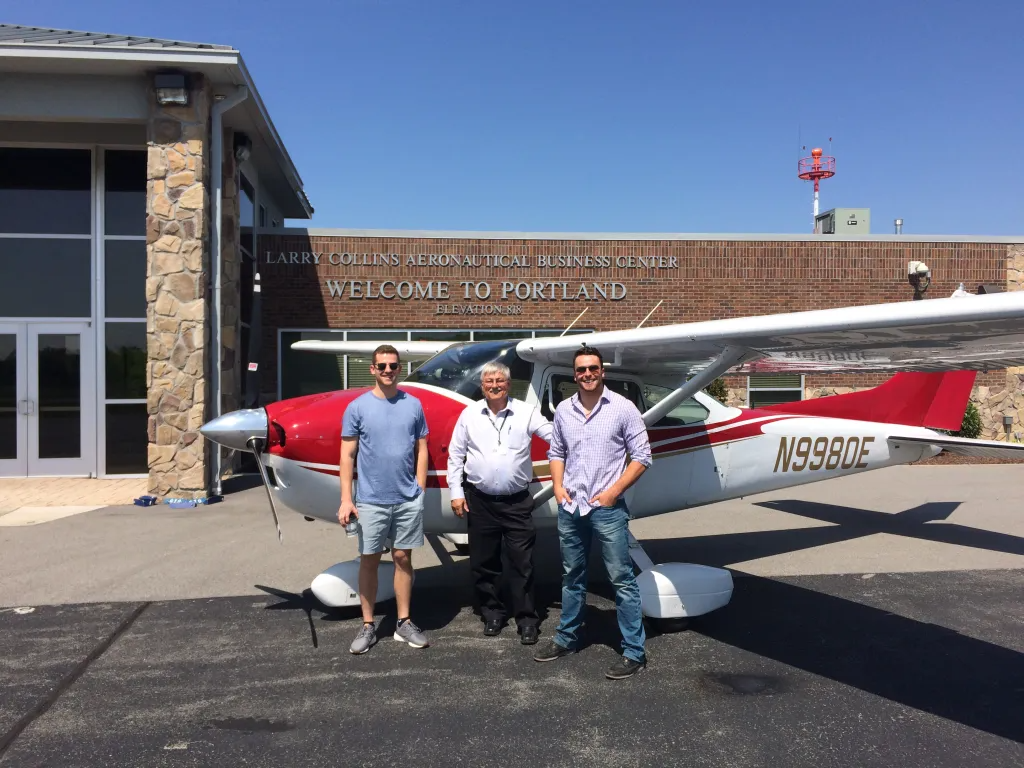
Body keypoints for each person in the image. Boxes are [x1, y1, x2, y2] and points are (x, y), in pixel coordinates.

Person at [533, 344, 652, 679]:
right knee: (572, 576)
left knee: (621, 580)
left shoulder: (623, 408)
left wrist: (614, 492)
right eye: (581, 370)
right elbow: (556, 451)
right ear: (574, 374)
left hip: (607, 509)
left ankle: (634, 652)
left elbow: (642, 455)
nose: (587, 374)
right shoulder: (565, 410)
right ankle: (566, 638)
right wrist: (557, 487)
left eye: (593, 369)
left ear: (603, 371)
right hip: (571, 507)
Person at [447, 362, 553, 645]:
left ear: (508, 384)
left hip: (517, 503)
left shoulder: (526, 412)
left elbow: (555, 437)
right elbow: (455, 456)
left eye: (499, 381)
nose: (494, 385)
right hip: (479, 501)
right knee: (483, 563)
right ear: (482, 386)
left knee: (523, 564)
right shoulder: (469, 414)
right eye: (488, 381)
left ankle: (527, 620)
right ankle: (492, 612)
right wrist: (456, 492)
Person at [338, 344, 430, 654]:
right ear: (373, 369)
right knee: (370, 560)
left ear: (399, 368)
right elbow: (347, 455)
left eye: (393, 365)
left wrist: (419, 488)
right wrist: (346, 499)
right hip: (370, 500)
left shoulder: (414, 405)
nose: (388, 370)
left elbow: (422, 448)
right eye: (382, 365)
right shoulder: (357, 407)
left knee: (403, 558)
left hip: (407, 499)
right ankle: (367, 625)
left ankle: (403, 622)